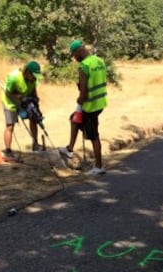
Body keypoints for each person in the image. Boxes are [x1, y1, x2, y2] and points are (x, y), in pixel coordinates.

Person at [59, 40, 107, 175]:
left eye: (74, 55)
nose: (74, 58)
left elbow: (84, 93)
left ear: (78, 51)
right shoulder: (99, 61)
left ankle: (98, 167)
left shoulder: (84, 66)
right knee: (74, 119)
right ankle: (69, 149)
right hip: (100, 102)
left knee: (93, 135)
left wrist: (80, 98)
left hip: (90, 105)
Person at [1, 60, 43, 159]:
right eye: (33, 75)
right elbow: (8, 93)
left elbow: (33, 91)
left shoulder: (34, 80)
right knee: (10, 126)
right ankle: (8, 151)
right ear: (27, 72)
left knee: (34, 118)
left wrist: (35, 104)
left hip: (24, 100)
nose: (35, 78)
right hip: (10, 101)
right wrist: (20, 97)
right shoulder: (14, 77)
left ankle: (35, 145)